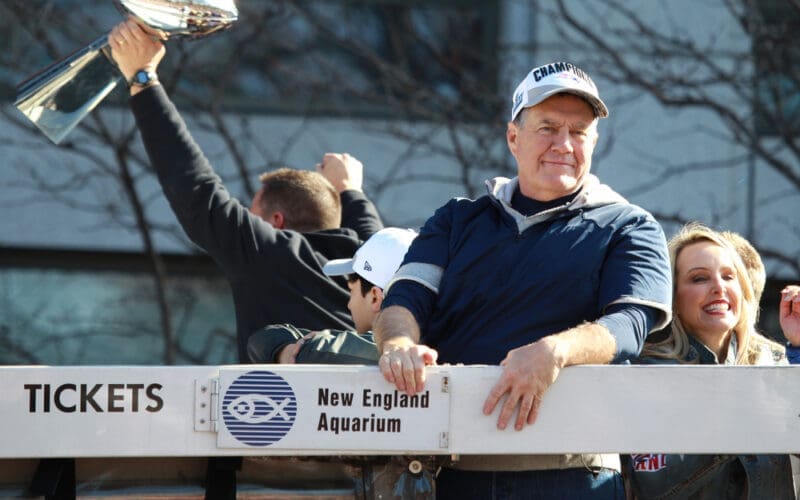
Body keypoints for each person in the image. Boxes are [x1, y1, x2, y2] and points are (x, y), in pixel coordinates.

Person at [373, 61, 673, 498]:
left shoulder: (630, 226)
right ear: (513, 137)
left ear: (594, 142)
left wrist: (555, 351)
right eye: (548, 127)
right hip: (450, 471)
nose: (564, 144)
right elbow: (404, 299)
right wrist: (398, 345)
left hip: (576, 474)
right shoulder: (457, 218)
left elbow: (630, 326)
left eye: (579, 132)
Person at [108, 19, 384, 363]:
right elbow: (373, 238)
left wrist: (143, 78)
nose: (251, 224)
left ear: (277, 221)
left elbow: (196, 189)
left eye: (255, 217)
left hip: (279, 415)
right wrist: (350, 192)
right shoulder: (369, 271)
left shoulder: (269, 253)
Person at [627, 223, 800, 499]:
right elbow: (654, 486)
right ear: (673, 298)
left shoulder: (777, 362)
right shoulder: (644, 372)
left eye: (729, 276)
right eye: (699, 278)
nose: (719, 287)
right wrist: (730, 416)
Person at [247, 227, 417, 364]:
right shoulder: (439, 337)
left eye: (352, 291)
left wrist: (292, 349)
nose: (349, 304)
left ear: (375, 297)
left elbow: (309, 350)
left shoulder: (392, 350)